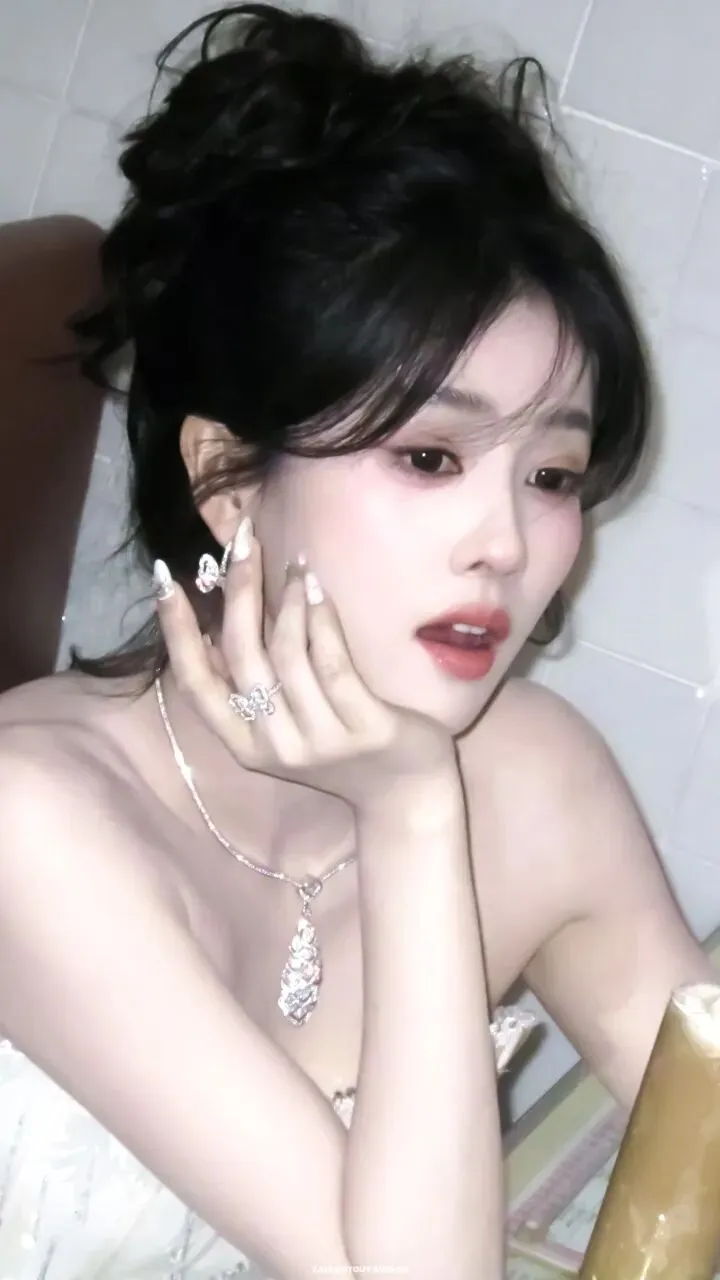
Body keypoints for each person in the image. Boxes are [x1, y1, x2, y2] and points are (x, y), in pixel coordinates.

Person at [0, 4, 713, 1278]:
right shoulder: (31, 818)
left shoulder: (535, 775)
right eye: (430, 457)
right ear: (227, 478)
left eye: (552, 476)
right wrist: (413, 813)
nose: (506, 542)